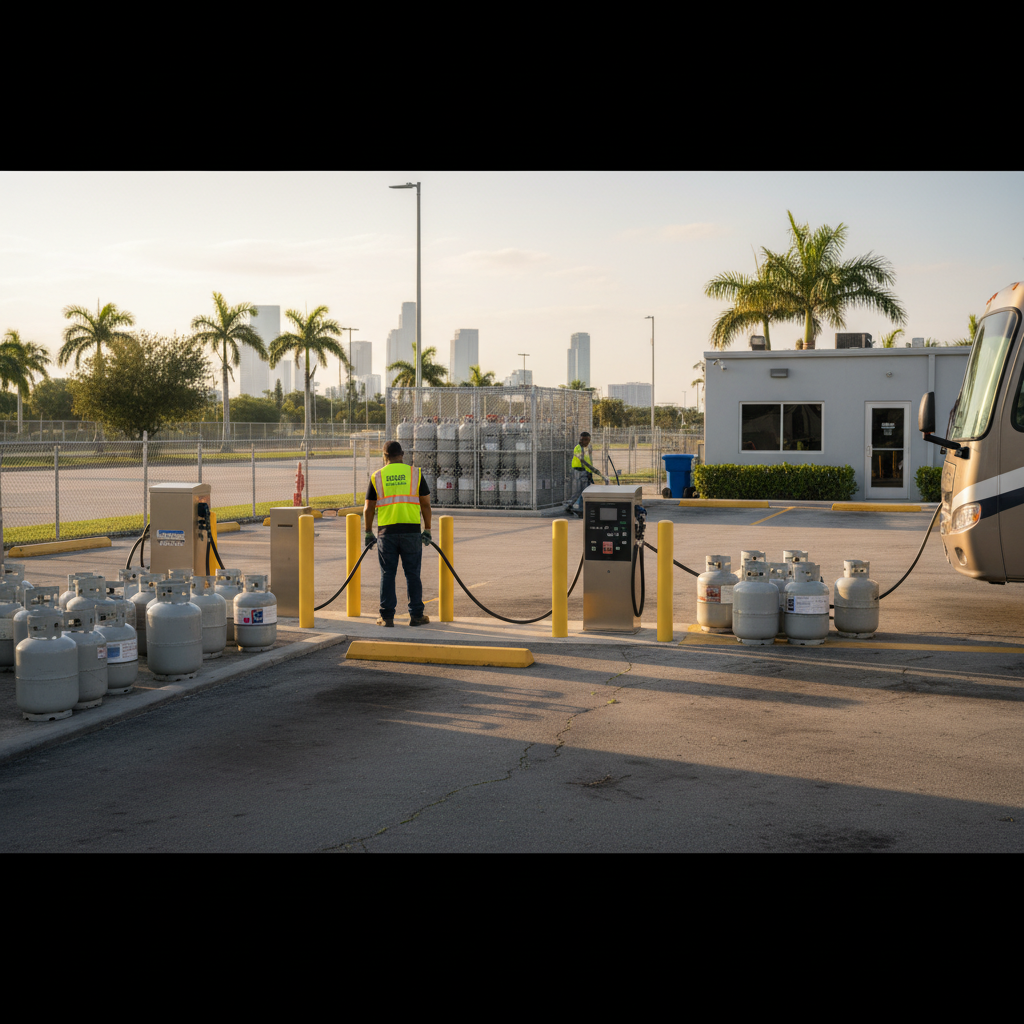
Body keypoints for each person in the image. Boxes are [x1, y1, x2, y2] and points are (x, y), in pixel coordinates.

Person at [364, 440, 431, 627]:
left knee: (387, 574)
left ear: (384, 456)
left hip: (387, 533)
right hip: (411, 532)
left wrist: (368, 532)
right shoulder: (415, 474)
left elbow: (368, 508)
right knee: (413, 574)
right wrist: (428, 529)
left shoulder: (377, 476)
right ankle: (417, 616)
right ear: (402, 454)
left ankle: (386, 617)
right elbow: (425, 504)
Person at [565, 431, 595, 517]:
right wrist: (588, 472)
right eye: (583, 440)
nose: (585, 442)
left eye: (587, 440)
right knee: (582, 491)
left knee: (581, 491)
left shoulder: (587, 448)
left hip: (584, 471)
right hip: (580, 471)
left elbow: (589, 460)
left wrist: (590, 472)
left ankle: (570, 506)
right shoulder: (578, 448)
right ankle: (580, 509)